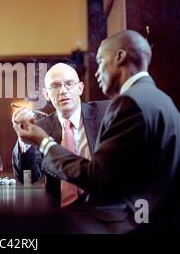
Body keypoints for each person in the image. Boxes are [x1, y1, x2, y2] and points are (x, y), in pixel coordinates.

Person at [14, 30, 180, 232]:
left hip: (126, 221)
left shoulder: (127, 104)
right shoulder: (161, 99)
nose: (96, 71)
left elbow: (98, 178)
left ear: (119, 57)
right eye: (56, 86)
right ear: (47, 94)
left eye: (100, 61)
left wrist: (45, 143)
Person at [11, 63, 110, 206]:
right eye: (55, 86)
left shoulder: (105, 112)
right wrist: (23, 139)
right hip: (59, 215)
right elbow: (28, 177)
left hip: (101, 209)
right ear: (46, 95)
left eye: (69, 84)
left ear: (80, 88)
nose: (63, 91)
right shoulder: (40, 126)